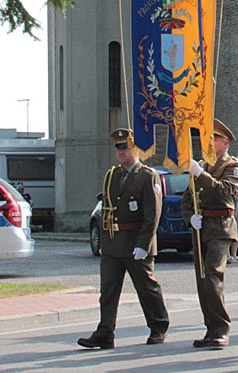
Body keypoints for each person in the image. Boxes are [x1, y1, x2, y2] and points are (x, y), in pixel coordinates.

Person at [78, 128, 169, 349]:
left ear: (135, 149)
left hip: (136, 241)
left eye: (125, 148)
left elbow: (152, 215)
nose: (121, 152)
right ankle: (105, 332)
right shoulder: (113, 176)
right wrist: (104, 241)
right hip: (113, 243)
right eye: (118, 148)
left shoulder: (147, 176)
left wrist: (143, 244)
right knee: (108, 291)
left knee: (146, 288)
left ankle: (158, 325)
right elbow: (108, 209)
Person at [180, 118, 238, 349]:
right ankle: (211, 328)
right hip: (202, 227)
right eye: (208, 138)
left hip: (221, 226)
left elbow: (224, 191)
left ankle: (221, 328)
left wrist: (200, 174)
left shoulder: (233, 165)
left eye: (214, 139)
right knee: (202, 280)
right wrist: (190, 217)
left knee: (213, 275)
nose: (210, 142)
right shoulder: (202, 165)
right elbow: (187, 198)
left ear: (226, 143)